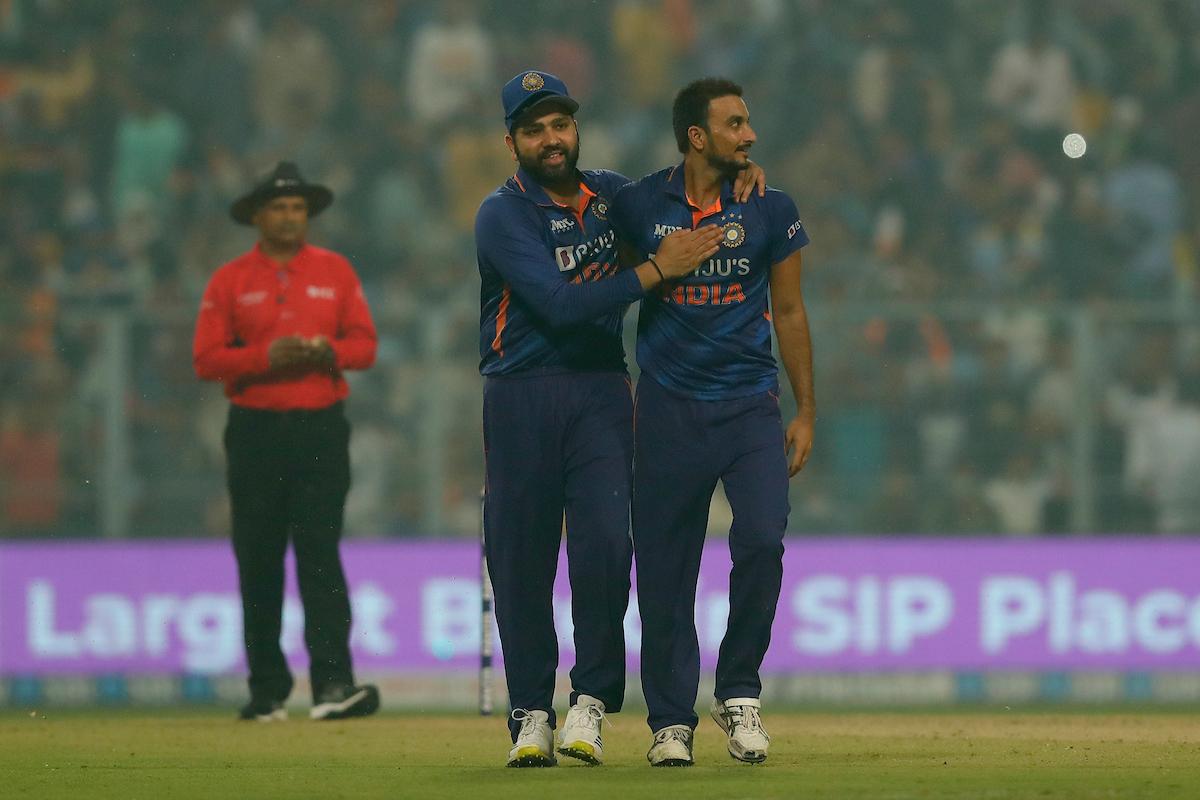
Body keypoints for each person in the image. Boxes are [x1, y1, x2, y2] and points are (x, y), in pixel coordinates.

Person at [475, 70, 764, 767]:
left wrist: (742, 172)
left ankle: (590, 704)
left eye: (560, 124)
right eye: (534, 129)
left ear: (575, 129)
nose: (551, 139)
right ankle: (529, 715)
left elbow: (684, 192)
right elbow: (560, 304)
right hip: (518, 394)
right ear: (512, 140)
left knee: (605, 546)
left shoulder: (611, 196)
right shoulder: (502, 214)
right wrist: (656, 271)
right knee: (520, 559)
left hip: (602, 392)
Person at [609, 77, 815, 766]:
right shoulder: (639, 204)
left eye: (748, 123)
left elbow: (788, 311)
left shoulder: (770, 206)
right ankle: (671, 721)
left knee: (761, 539)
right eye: (734, 124)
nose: (749, 135)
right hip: (666, 411)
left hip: (750, 407)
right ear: (697, 136)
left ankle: (739, 693)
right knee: (666, 571)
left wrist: (807, 410)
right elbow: (600, 277)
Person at [193, 161, 381, 722]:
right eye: (279, 207)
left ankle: (332, 686)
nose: (290, 216)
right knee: (259, 557)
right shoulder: (229, 280)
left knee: (320, 554)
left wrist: (327, 351)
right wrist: (262, 358)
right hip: (255, 431)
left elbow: (365, 346)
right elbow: (205, 359)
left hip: (320, 428)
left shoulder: (336, 271)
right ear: (257, 216)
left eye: (298, 207)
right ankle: (266, 690)